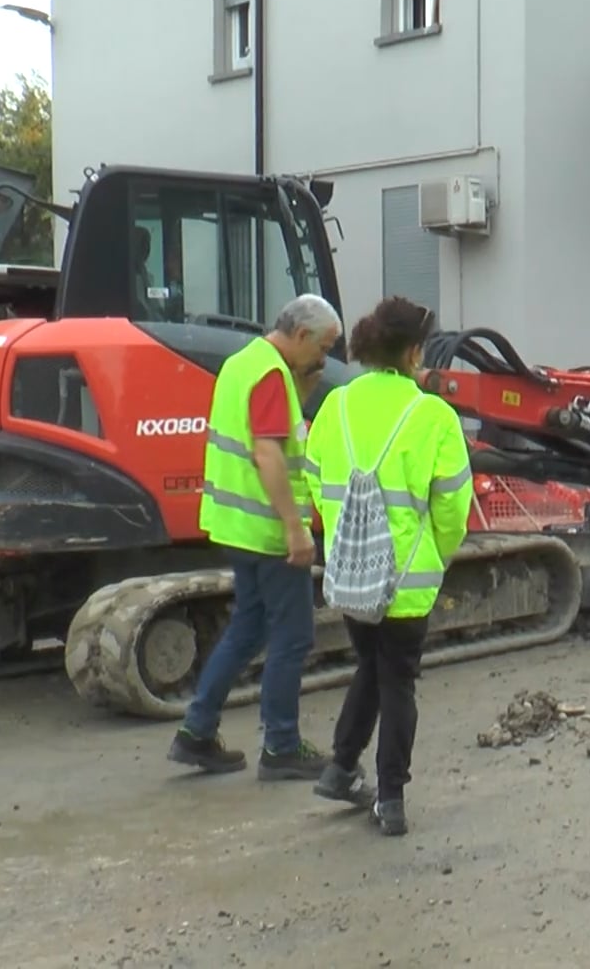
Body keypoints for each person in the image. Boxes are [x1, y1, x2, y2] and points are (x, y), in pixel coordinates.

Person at [305, 296, 473, 836]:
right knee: (398, 679)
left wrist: (342, 536)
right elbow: (453, 505)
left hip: (351, 573)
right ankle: (392, 798)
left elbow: (315, 478)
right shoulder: (433, 415)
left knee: (372, 667)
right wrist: (438, 554)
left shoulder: (336, 406)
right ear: (411, 352)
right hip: (406, 580)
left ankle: (339, 767)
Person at [169, 293, 343, 778]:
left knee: (248, 627)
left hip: (234, 525)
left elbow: (267, 434)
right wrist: (295, 529)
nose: (326, 358)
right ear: (301, 334)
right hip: (269, 533)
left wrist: (302, 390)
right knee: (293, 636)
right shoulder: (270, 376)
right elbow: (267, 453)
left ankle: (196, 732)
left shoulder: (245, 362)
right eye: (324, 345)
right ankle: (282, 746)